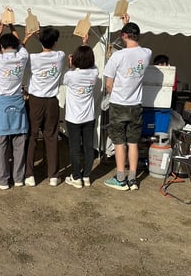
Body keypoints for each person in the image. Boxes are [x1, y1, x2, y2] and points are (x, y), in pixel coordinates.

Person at [103, 16, 152, 191]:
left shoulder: (117, 56)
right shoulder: (147, 53)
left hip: (118, 104)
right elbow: (135, 46)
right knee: (133, 142)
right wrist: (127, 25)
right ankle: (132, 178)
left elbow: (109, 84)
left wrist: (114, 93)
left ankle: (120, 177)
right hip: (136, 104)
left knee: (119, 142)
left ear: (124, 35)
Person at [0, 19, 33, 189]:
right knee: (19, 141)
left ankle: (3, 179)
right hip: (17, 101)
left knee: (1, 143)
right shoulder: (22, 56)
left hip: (2, 103)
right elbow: (21, 45)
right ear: (16, 45)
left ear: (1, 47)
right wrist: (13, 27)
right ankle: (19, 178)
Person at [24, 26, 65, 187]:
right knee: (52, 137)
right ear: (55, 42)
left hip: (35, 100)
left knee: (32, 136)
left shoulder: (32, 58)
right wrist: (40, 36)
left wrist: (31, 35)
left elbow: (19, 54)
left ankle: (29, 175)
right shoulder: (60, 56)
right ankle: (53, 175)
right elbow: (48, 46)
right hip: (52, 101)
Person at [63, 36, 99, 188]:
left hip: (73, 118)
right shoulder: (94, 74)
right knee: (88, 148)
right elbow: (92, 65)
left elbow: (65, 78)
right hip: (89, 117)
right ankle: (87, 176)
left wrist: (70, 64)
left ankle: (76, 177)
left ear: (75, 59)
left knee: (75, 148)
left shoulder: (71, 75)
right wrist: (85, 44)